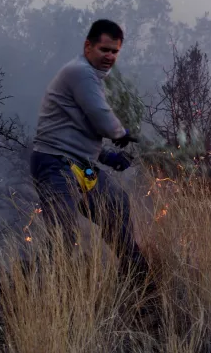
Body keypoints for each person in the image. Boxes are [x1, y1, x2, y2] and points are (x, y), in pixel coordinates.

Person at [29, 19, 148, 281]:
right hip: (54, 164)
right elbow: (99, 115)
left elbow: (79, 128)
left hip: (81, 165)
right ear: (88, 46)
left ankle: (136, 276)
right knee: (63, 232)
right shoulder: (80, 72)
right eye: (104, 49)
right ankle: (39, 294)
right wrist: (121, 134)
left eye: (114, 51)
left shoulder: (91, 77)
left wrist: (106, 156)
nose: (109, 56)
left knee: (116, 205)